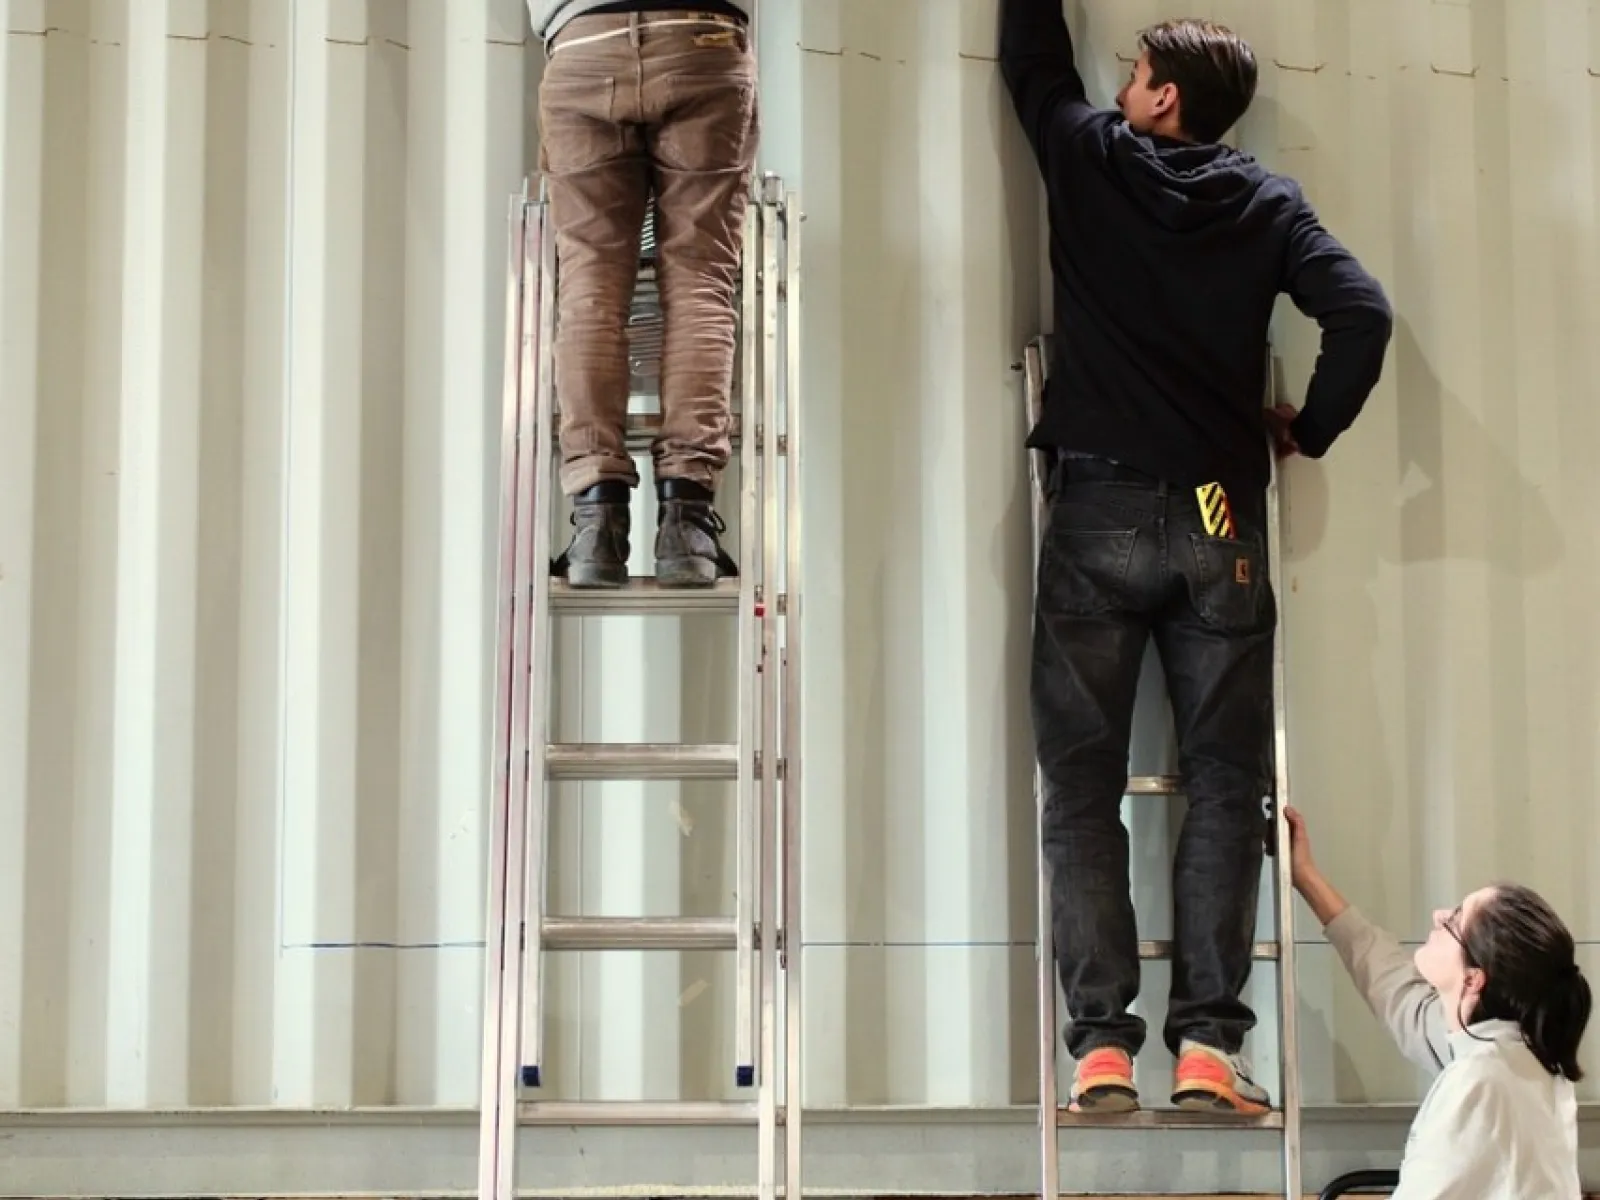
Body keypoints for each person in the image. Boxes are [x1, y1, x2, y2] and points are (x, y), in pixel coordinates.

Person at [999, 2, 1395, 1114]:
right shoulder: (1267, 201)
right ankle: (1212, 1049)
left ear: (1164, 96)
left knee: (1081, 789)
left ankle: (1102, 1047)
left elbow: (1031, 62)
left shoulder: (1087, 158)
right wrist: (1307, 430)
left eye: (1133, 71)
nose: (1120, 83)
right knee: (1225, 784)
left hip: (1099, 505)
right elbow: (1360, 315)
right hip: (1221, 510)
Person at [528, 1, 756, 588]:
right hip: (702, 34)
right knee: (702, 280)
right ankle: (688, 522)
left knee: (591, 287)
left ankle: (595, 522)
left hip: (582, 40)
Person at [1287, 807, 1589, 1197]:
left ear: (1473, 979)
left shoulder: (1480, 1081)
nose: (1438, 915)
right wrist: (1306, 876)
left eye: (1454, 921)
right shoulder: (1513, 1054)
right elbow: (1393, 987)